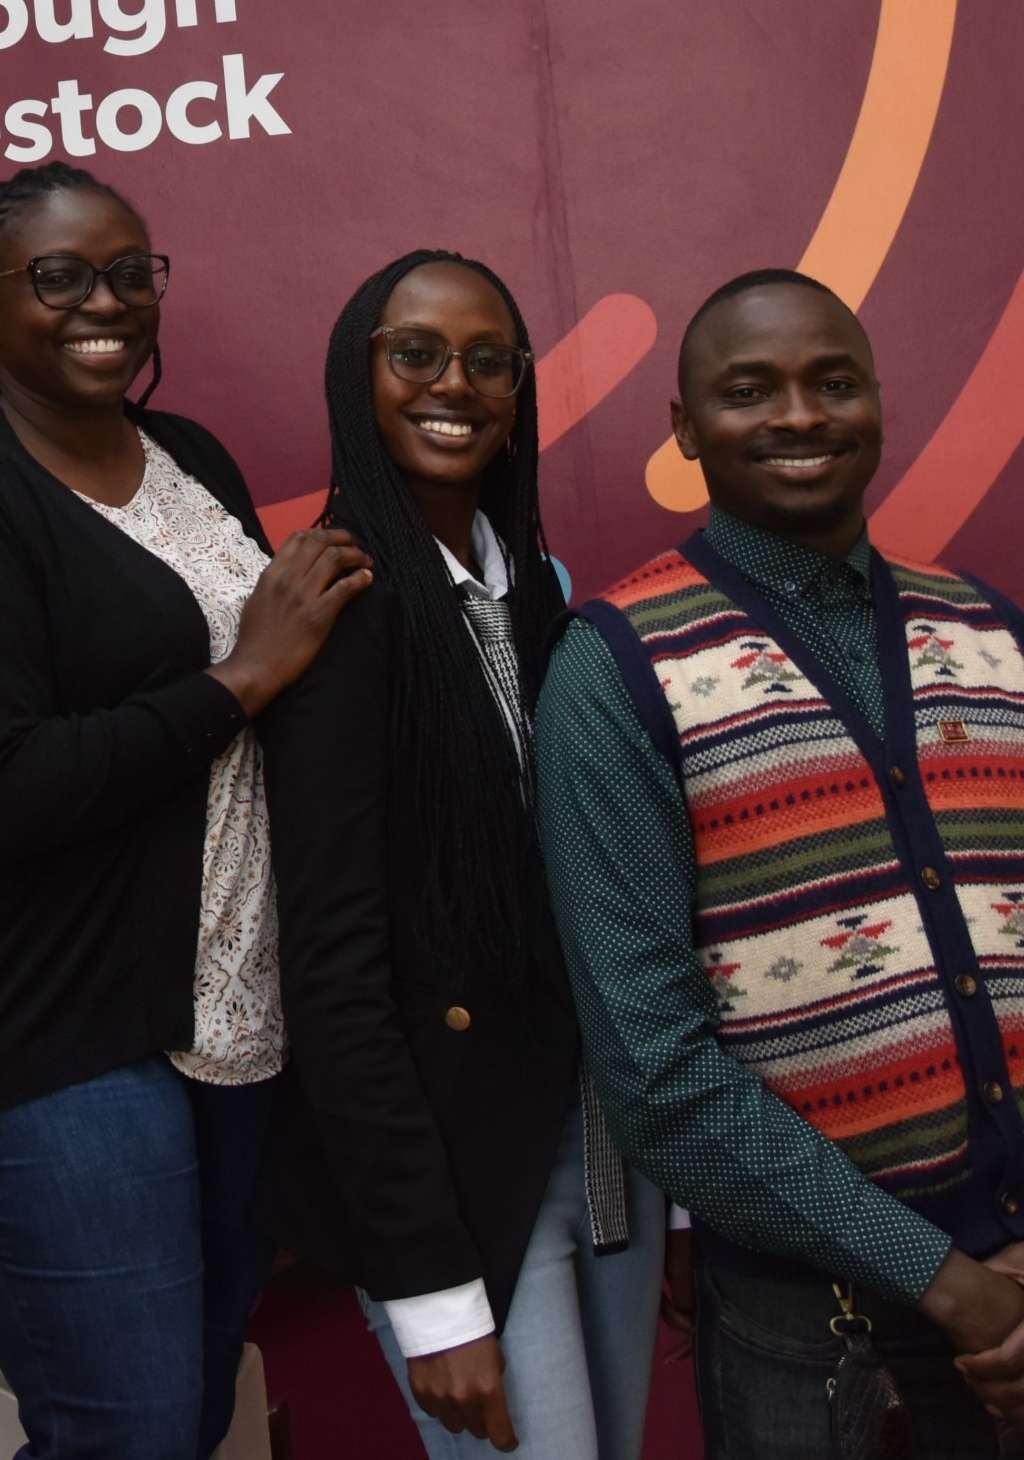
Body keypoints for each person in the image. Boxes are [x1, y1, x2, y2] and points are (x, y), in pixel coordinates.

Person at [536, 269, 1024, 1456]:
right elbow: (656, 1071)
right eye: (749, 390)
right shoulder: (614, 669)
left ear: (876, 403)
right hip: (824, 1355)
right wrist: (941, 1280)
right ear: (684, 430)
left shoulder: (997, 636)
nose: (798, 415)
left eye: (832, 382)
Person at [0, 162, 369, 1460]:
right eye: (59, 277)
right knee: (124, 1431)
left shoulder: (189, 456)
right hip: (26, 1035)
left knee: (179, 1419)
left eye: (132, 273)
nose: (105, 302)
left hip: (221, 1019)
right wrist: (241, 676)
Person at [266, 252, 664, 1460]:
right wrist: (430, 1290)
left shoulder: (542, 596)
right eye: (416, 353)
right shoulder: (331, 605)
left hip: (607, 1153)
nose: (455, 384)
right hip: (457, 1178)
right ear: (358, 373)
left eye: (487, 360)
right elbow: (332, 974)